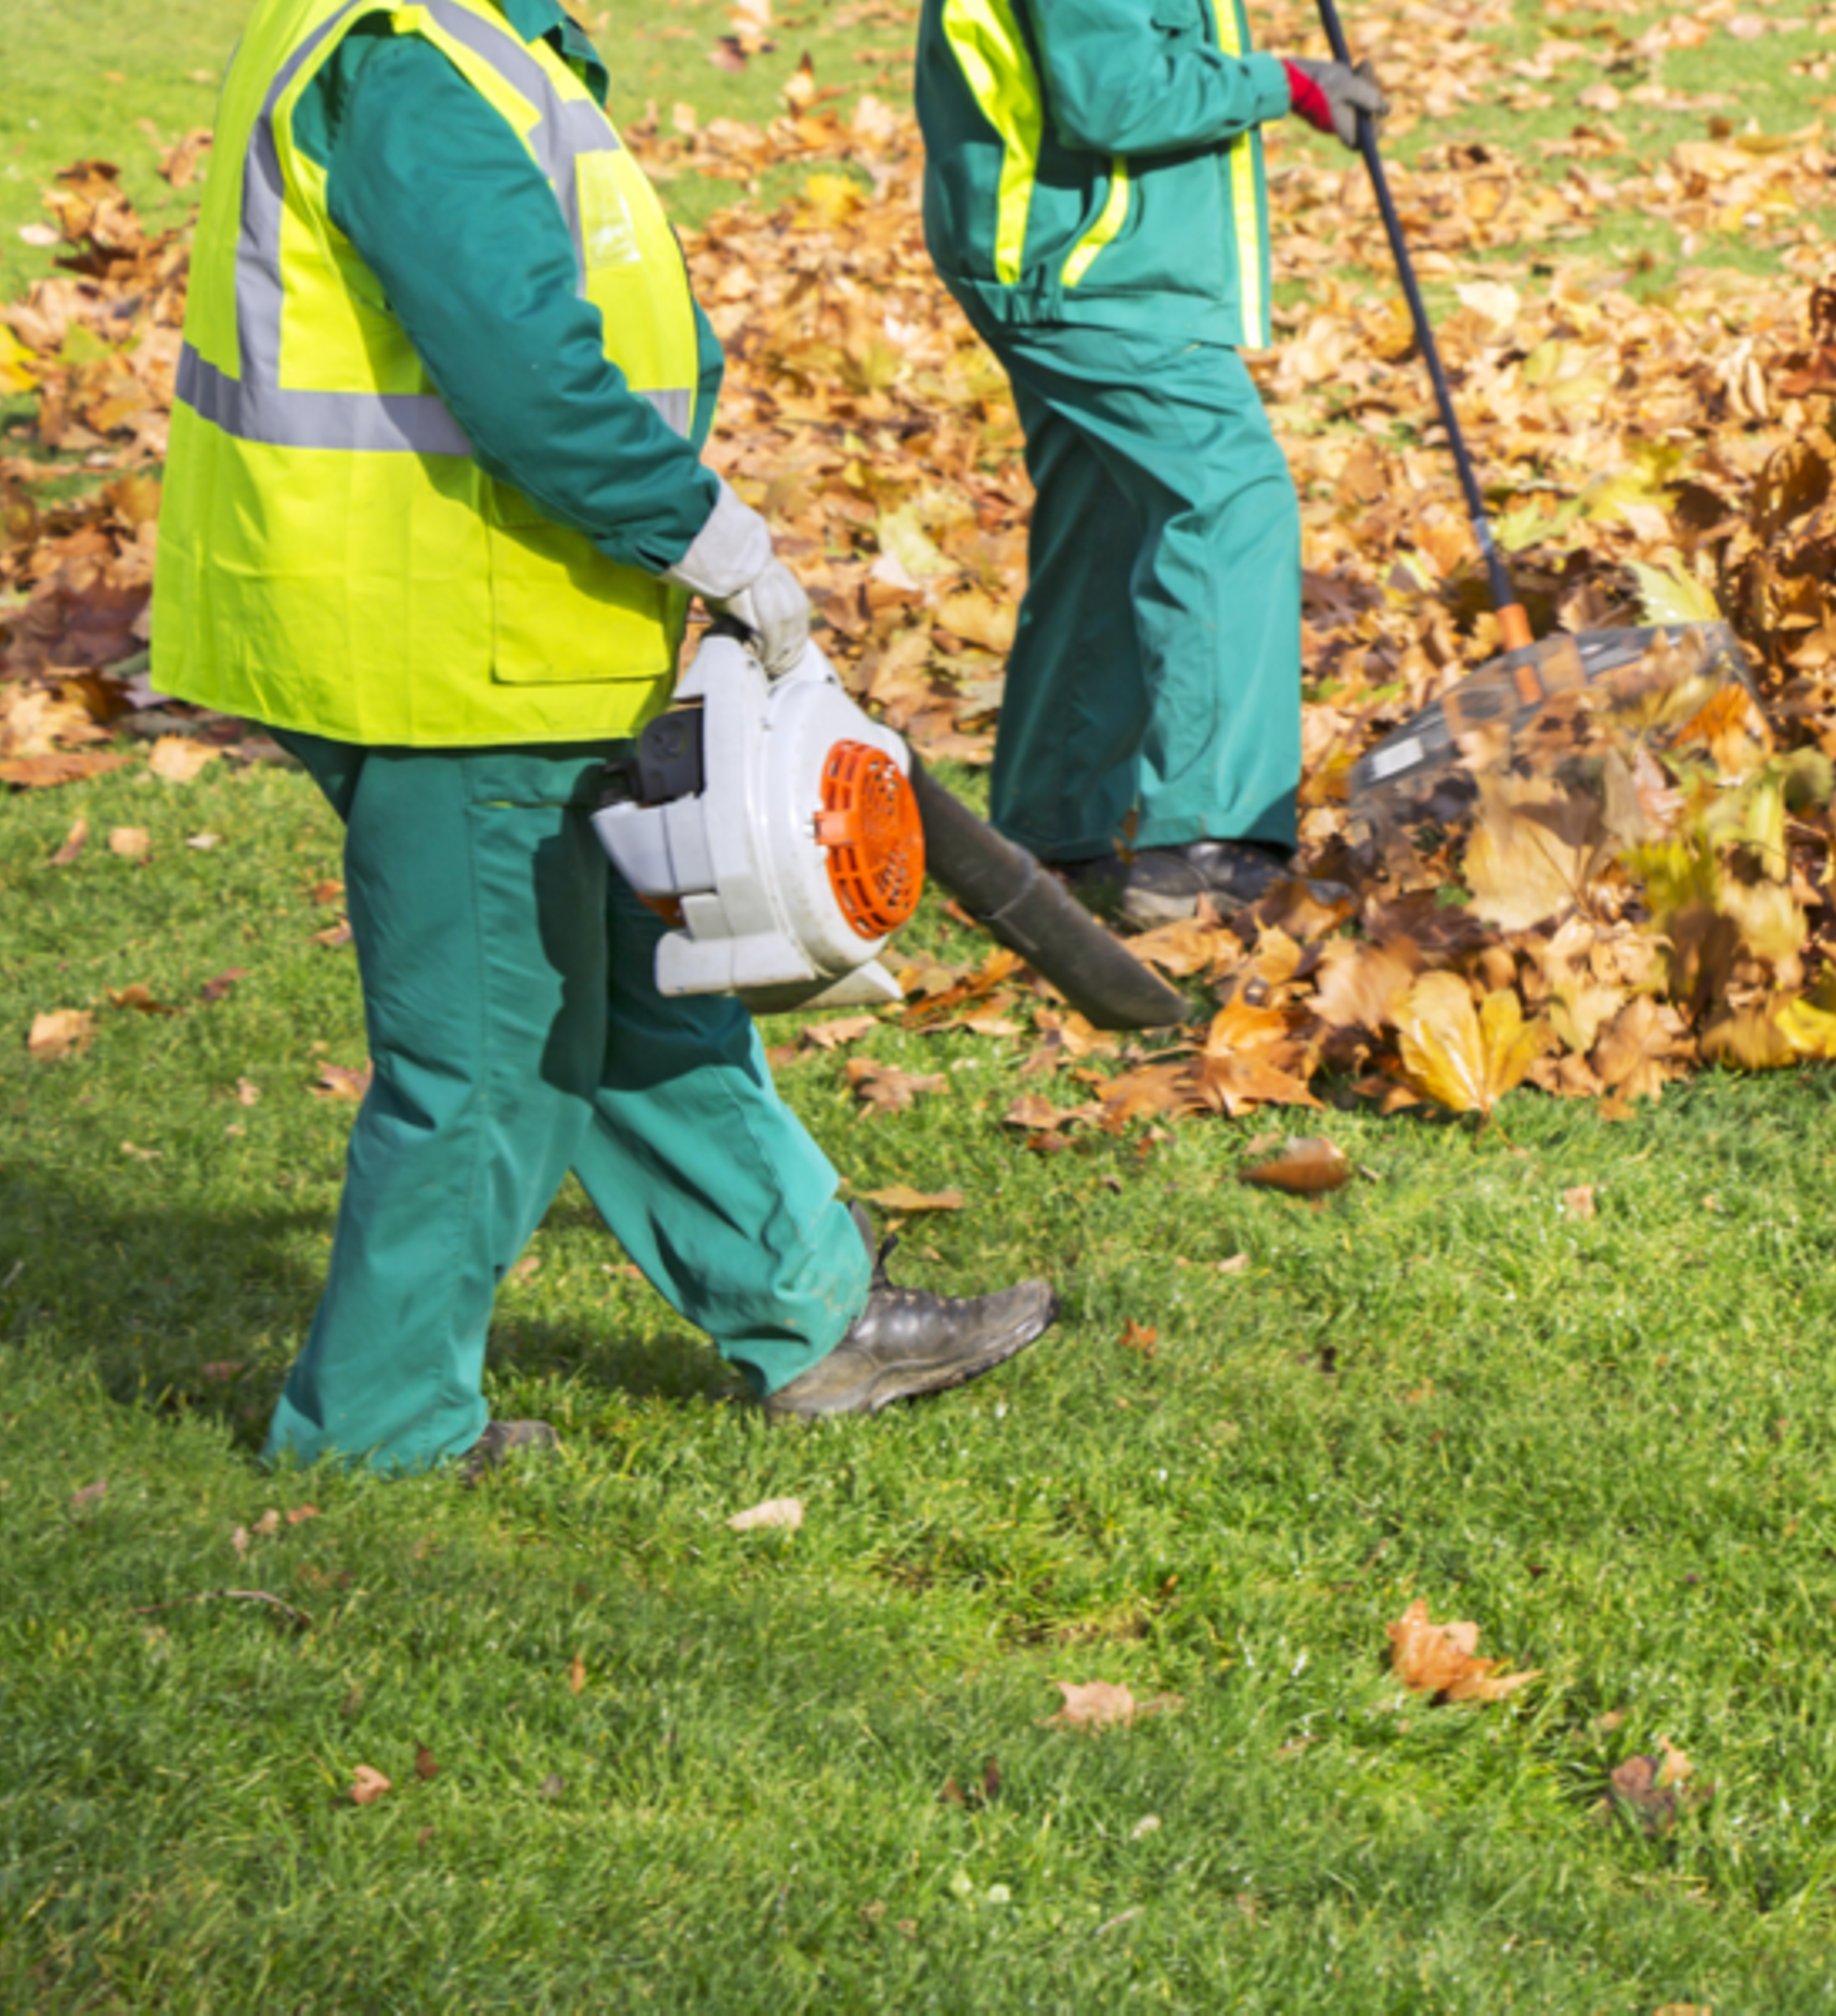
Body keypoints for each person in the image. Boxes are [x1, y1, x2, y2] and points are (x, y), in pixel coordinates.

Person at [152, 0, 1055, 1480]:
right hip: (445, 653)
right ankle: (375, 1432)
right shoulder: (411, 67)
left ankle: (809, 1311)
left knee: (641, 986)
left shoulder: (468, 40)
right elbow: (525, 372)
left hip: (509, 627)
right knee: (495, 1060)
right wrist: (698, 531)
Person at [915, 0, 1382, 927]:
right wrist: (1280, 82)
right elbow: (1115, 97)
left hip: (1068, 257)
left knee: (1107, 520)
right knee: (1228, 499)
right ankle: (1206, 848)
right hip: (1089, 270)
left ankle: (1050, 835)